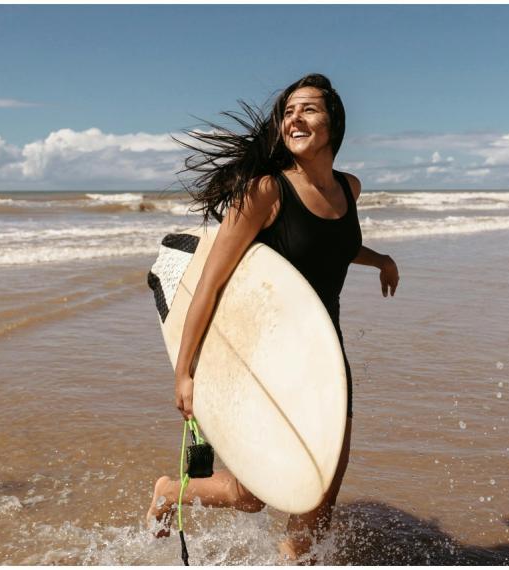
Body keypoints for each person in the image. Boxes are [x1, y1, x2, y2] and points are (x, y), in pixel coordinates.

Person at [145, 73, 399, 563]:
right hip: (265, 363)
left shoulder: (349, 188)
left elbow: (331, 247)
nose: (294, 119)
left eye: (308, 109)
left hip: (324, 357)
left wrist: (380, 259)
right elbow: (212, 281)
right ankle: (169, 491)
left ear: (333, 121)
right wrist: (185, 370)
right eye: (287, 112)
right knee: (250, 495)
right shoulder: (265, 190)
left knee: (320, 490)